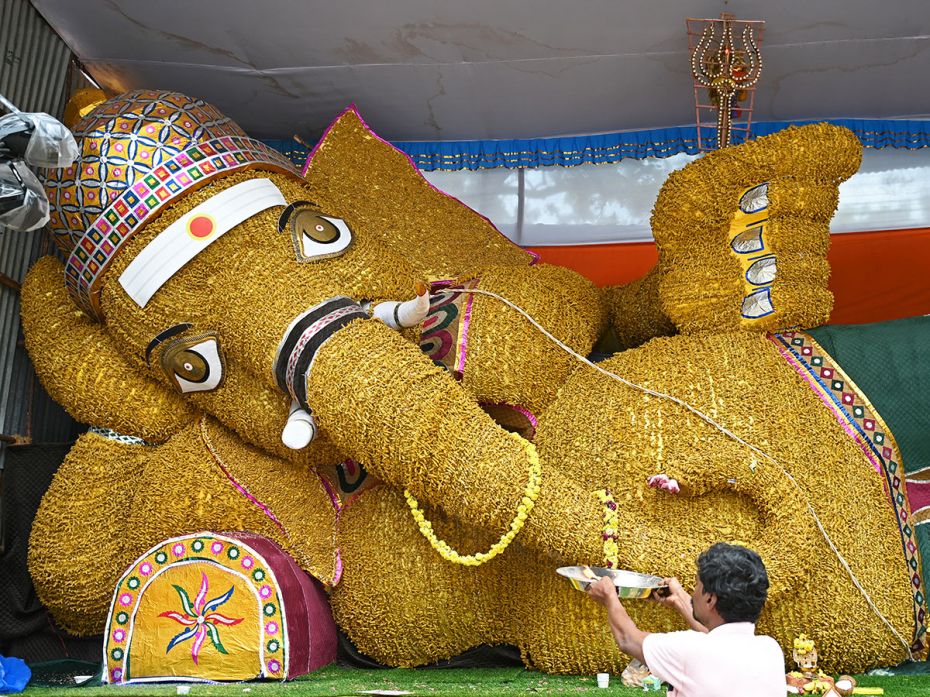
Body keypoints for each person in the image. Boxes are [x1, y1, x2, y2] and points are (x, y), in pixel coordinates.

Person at [587, 542, 786, 696]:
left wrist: (609, 597)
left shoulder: (688, 649)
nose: (693, 592)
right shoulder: (770, 650)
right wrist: (682, 602)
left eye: (696, 585)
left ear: (710, 598)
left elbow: (627, 639)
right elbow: (719, 643)